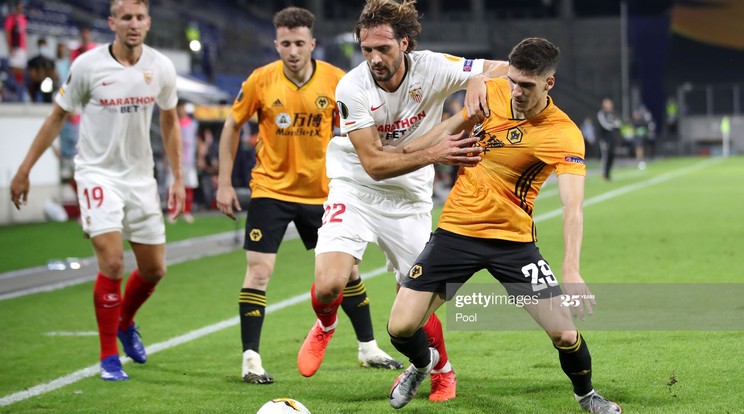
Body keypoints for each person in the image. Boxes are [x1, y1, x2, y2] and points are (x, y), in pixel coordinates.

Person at [384, 37, 622, 413]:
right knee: (400, 326)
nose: (516, 91)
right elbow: (449, 128)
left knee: (564, 332)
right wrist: (406, 153)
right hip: (456, 232)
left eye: (527, 85)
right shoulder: (492, 92)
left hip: (513, 243)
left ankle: (587, 395)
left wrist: (571, 267)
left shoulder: (563, 133)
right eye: (512, 80)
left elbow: (572, 205)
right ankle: (421, 364)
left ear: (549, 83)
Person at [296, 0, 507, 403]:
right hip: (356, 187)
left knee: (415, 306)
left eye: (383, 49)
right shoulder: (351, 88)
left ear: (405, 43)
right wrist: (435, 152)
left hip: (409, 199)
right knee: (328, 285)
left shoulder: (432, 66)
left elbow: (504, 68)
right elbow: (374, 164)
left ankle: (442, 370)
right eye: (367, 49)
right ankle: (325, 325)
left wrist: (480, 78)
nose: (374, 58)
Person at [215, 6, 402, 385]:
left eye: (300, 43)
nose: (293, 51)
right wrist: (222, 182)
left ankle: (368, 347)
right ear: (277, 44)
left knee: (347, 272)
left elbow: (358, 128)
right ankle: (251, 359)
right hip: (271, 190)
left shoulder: (336, 80)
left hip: (322, 192)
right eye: (285, 43)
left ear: (312, 43)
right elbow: (231, 124)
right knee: (259, 271)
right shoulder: (260, 81)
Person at [10, 0, 185, 382]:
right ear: (112, 23)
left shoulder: (160, 67)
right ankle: (109, 357)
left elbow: (170, 120)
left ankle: (124, 320)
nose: (133, 24)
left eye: (140, 17)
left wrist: (178, 177)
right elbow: (57, 116)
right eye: (126, 18)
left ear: (149, 22)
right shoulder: (87, 66)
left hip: (141, 177)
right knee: (112, 263)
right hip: (97, 174)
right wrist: (24, 170)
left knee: (154, 270)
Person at [168, 100, 198, 223]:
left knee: (189, 186)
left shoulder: (193, 124)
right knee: (173, 186)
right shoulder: (173, 123)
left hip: (189, 160)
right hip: (175, 160)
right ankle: (172, 212)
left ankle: (187, 211)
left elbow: (196, 141)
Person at [4, 0, 28, 99]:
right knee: (14, 69)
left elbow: (24, 34)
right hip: (14, 47)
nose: (20, 9)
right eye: (19, 7)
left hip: (22, 48)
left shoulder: (23, 19)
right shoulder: (10, 19)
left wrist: (26, 47)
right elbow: (7, 33)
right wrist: (9, 47)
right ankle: (13, 90)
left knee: (21, 70)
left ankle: (20, 91)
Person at [26, 38, 58, 103]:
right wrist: (41, 76)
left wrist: (46, 76)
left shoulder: (50, 61)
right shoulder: (33, 61)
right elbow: (32, 74)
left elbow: (54, 73)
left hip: (47, 83)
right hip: (36, 83)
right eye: (40, 46)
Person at [596, 98, 621, 180]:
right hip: (604, 139)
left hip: (612, 139)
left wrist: (616, 124)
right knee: (605, 156)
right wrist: (614, 125)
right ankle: (604, 174)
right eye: (607, 103)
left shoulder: (613, 113)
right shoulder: (601, 113)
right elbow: (605, 125)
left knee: (611, 156)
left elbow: (619, 123)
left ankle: (608, 174)